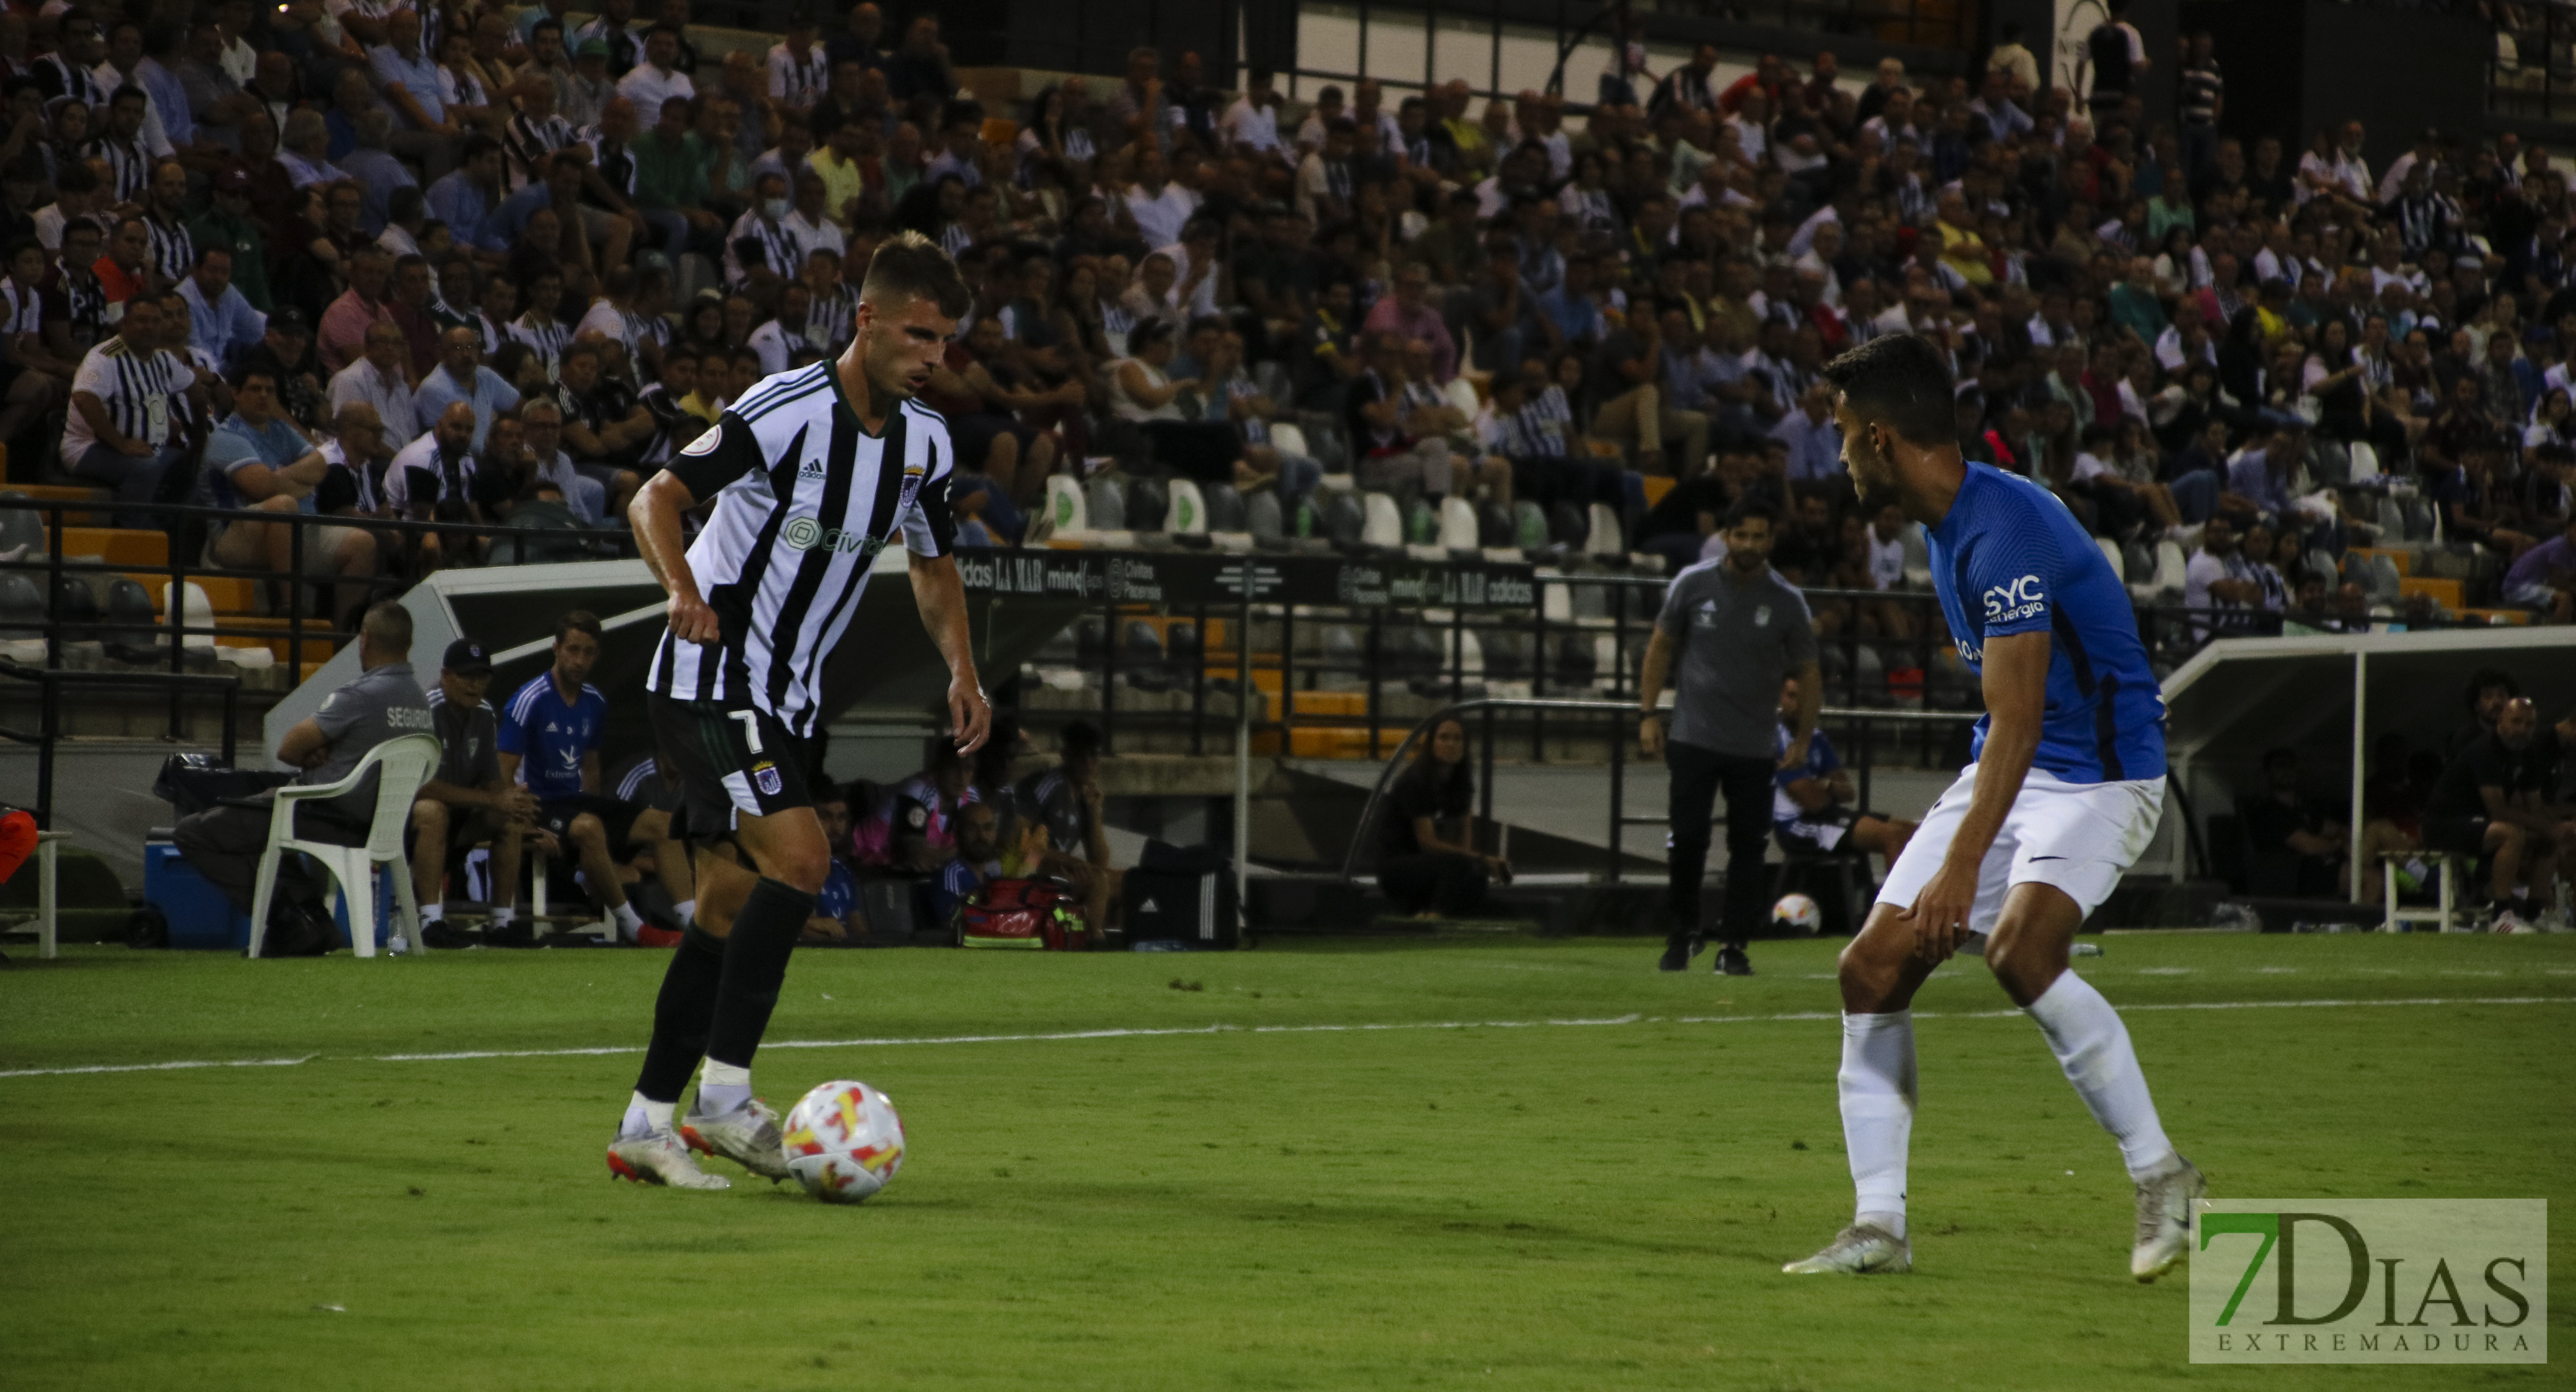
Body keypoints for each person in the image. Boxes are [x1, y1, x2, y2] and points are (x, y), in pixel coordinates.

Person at [1783, 332, 2197, 1281]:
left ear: (1882, 438)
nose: (1837, 452)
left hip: (2101, 774)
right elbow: (2006, 730)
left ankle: (2164, 1174)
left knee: (2019, 949)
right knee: (1869, 970)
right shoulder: (1945, 521)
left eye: (1845, 434)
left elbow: (2015, 717)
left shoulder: (2005, 531)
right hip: (2018, 767)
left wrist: (1963, 866)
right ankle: (1878, 1226)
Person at [611, 229, 988, 1189]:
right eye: (920, 335)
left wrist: (964, 672)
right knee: (805, 858)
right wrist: (682, 589)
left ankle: (647, 1125)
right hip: (714, 681)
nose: (935, 357)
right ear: (867, 320)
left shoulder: (925, 445)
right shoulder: (780, 410)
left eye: (945, 341)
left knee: (728, 910)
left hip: (787, 700)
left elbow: (936, 568)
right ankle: (728, 1104)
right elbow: (656, 499)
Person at [171, 604, 432, 957]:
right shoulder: (419, 701)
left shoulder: (361, 695)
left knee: (195, 832)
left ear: (365, 640)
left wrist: (316, 751)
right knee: (268, 828)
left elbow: (290, 748)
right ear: (409, 643)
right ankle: (315, 920)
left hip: (326, 814)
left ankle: (287, 918)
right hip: (381, 824)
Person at [1639, 499, 1820, 977]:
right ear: (1726, 536)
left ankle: (1734, 944)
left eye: (1760, 537)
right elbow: (1660, 646)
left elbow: (1809, 670)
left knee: (1749, 847)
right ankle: (1682, 934)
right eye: (1742, 536)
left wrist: (1801, 738)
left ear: (1771, 541)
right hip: (1693, 736)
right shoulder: (1692, 585)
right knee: (1688, 839)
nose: (1750, 546)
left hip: (1755, 744)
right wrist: (1647, 713)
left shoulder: (1786, 601)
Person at [497, 611, 653, 943]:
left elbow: (591, 766)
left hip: (573, 803)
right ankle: (634, 928)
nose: (580, 660)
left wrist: (593, 806)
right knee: (589, 827)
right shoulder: (529, 699)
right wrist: (528, 825)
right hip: (538, 803)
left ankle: (692, 922)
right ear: (556, 648)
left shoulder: (595, 702)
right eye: (573, 650)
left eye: (588, 652)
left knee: (663, 824)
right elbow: (503, 775)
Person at [411, 637, 540, 948]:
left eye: (482, 677)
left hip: (458, 819)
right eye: (466, 676)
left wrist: (513, 802)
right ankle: (429, 921)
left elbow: (492, 780)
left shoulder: (484, 714)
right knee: (432, 809)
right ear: (445, 676)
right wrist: (495, 799)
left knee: (508, 816)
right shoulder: (426, 710)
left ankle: (501, 924)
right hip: (408, 821)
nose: (475, 684)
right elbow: (421, 785)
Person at [2423, 698, 2561, 934]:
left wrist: (2558, 828)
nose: (2522, 730)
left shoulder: (2528, 755)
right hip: (2445, 823)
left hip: (2481, 824)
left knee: (2550, 841)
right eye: (2516, 722)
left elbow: (2535, 807)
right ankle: (2501, 915)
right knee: (2511, 834)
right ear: (2501, 721)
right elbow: (2498, 811)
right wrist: (2542, 824)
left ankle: (2534, 915)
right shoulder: (2484, 750)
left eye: (2529, 725)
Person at [1772, 675, 1915, 870]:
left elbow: (1848, 793)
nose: (1799, 704)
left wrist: (1825, 786)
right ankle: (1895, 901)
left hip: (1829, 814)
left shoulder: (1817, 738)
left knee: (1916, 832)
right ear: (1781, 698)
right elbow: (1811, 802)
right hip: (1797, 826)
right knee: (1891, 836)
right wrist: (1826, 789)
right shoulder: (1775, 739)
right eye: (1792, 696)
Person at [1375, 714, 1507, 918]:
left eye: (1457, 739)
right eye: (1444, 738)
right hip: (1400, 866)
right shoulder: (1415, 782)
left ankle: (1444, 917)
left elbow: (1464, 845)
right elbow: (1427, 843)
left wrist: (1477, 862)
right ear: (1431, 743)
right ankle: (1433, 918)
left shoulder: (1461, 786)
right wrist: (1480, 858)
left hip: (1436, 864)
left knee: (1475, 876)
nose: (1451, 744)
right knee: (1458, 865)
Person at [1014, 721, 1119, 936]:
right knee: (1098, 883)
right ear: (1066, 755)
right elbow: (1021, 842)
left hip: (1065, 873)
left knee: (1130, 880)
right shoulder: (1046, 785)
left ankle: (1126, 943)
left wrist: (1095, 813)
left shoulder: (1085, 797)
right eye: (1081, 756)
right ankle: (1089, 943)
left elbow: (1099, 861)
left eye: (1094, 756)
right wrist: (1071, 862)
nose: (1089, 763)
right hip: (1033, 872)